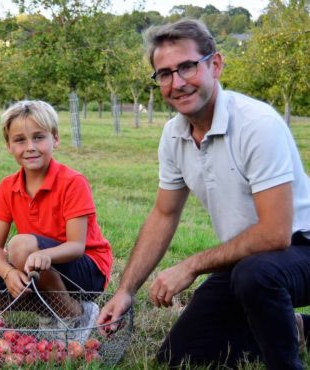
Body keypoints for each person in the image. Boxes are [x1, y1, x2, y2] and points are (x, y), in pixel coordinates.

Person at [98, 18, 310, 370]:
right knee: (180, 357)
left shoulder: (257, 124)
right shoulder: (174, 135)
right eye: (164, 73)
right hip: (248, 260)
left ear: (215, 64)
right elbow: (164, 214)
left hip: (298, 247)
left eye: (186, 67)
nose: (177, 83)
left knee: (256, 276)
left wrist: (192, 266)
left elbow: (275, 234)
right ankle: (296, 326)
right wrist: (126, 291)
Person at [0, 100, 113, 337]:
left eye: (39, 137)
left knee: (20, 246)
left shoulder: (72, 182)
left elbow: (77, 246)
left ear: (55, 138)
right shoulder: (8, 187)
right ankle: (54, 309)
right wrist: (8, 273)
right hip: (36, 265)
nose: (30, 147)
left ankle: (74, 315)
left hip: (86, 271)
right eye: (20, 140)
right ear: (9, 146)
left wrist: (42, 255)